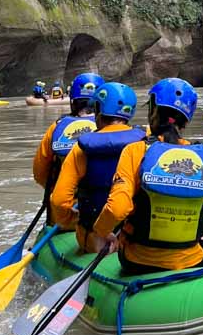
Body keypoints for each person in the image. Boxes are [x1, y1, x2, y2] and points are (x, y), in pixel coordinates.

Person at [91, 78, 203, 275]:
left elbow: (118, 208)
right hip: (191, 259)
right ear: (187, 118)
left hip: (136, 260)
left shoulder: (135, 150)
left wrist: (100, 231)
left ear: (153, 110)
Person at [49, 82, 146, 250]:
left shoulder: (81, 150)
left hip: (94, 239)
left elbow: (58, 201)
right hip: (135, 238)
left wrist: (72, 220)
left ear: (99, 110)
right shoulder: (146, 143)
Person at [33, 73, 104, 220]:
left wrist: (58, 188)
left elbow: (40, 174)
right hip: (103, 215)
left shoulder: (56, 127)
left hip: (64, 215)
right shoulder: (117, 131)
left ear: (73, 101)